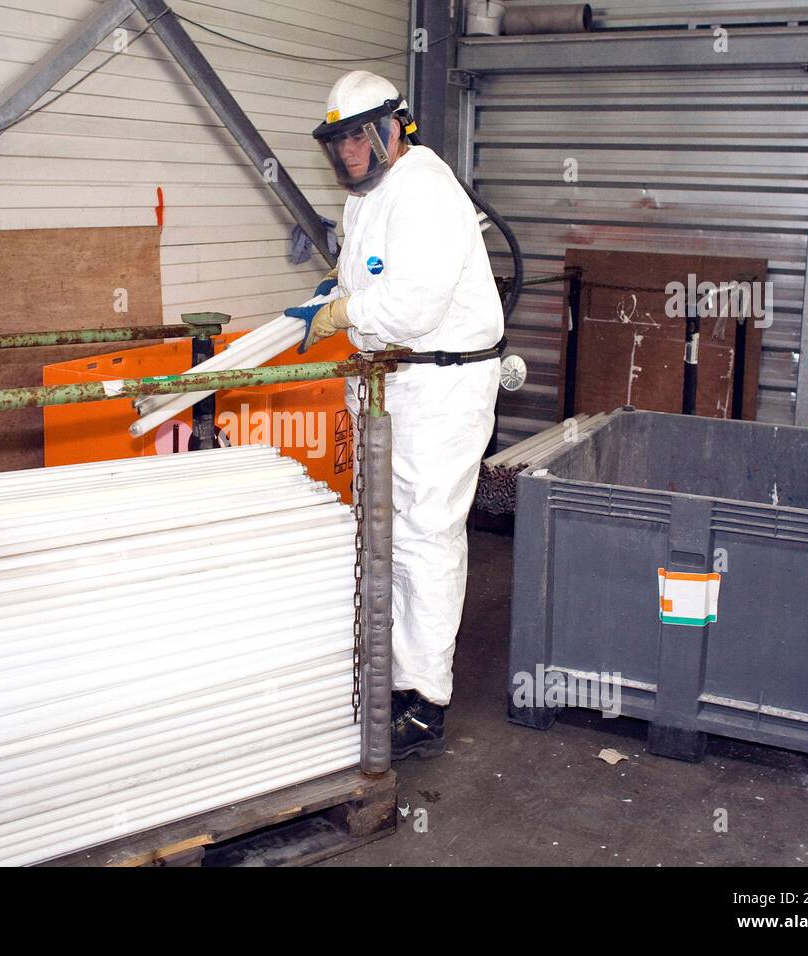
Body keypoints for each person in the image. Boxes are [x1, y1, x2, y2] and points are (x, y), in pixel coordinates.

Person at [285, 70, 504, 761]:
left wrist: (346, 312)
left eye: (356, 137)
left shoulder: (428, 191)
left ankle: (424, 701)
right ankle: (395, 675)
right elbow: (368, 278)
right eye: (337, 144)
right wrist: (340, 291)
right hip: (393, 384)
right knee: (388, 534)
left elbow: (410, 308)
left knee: (426, 537)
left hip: (442, 387)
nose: (347, 154)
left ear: (392, 128)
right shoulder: (367, 197)